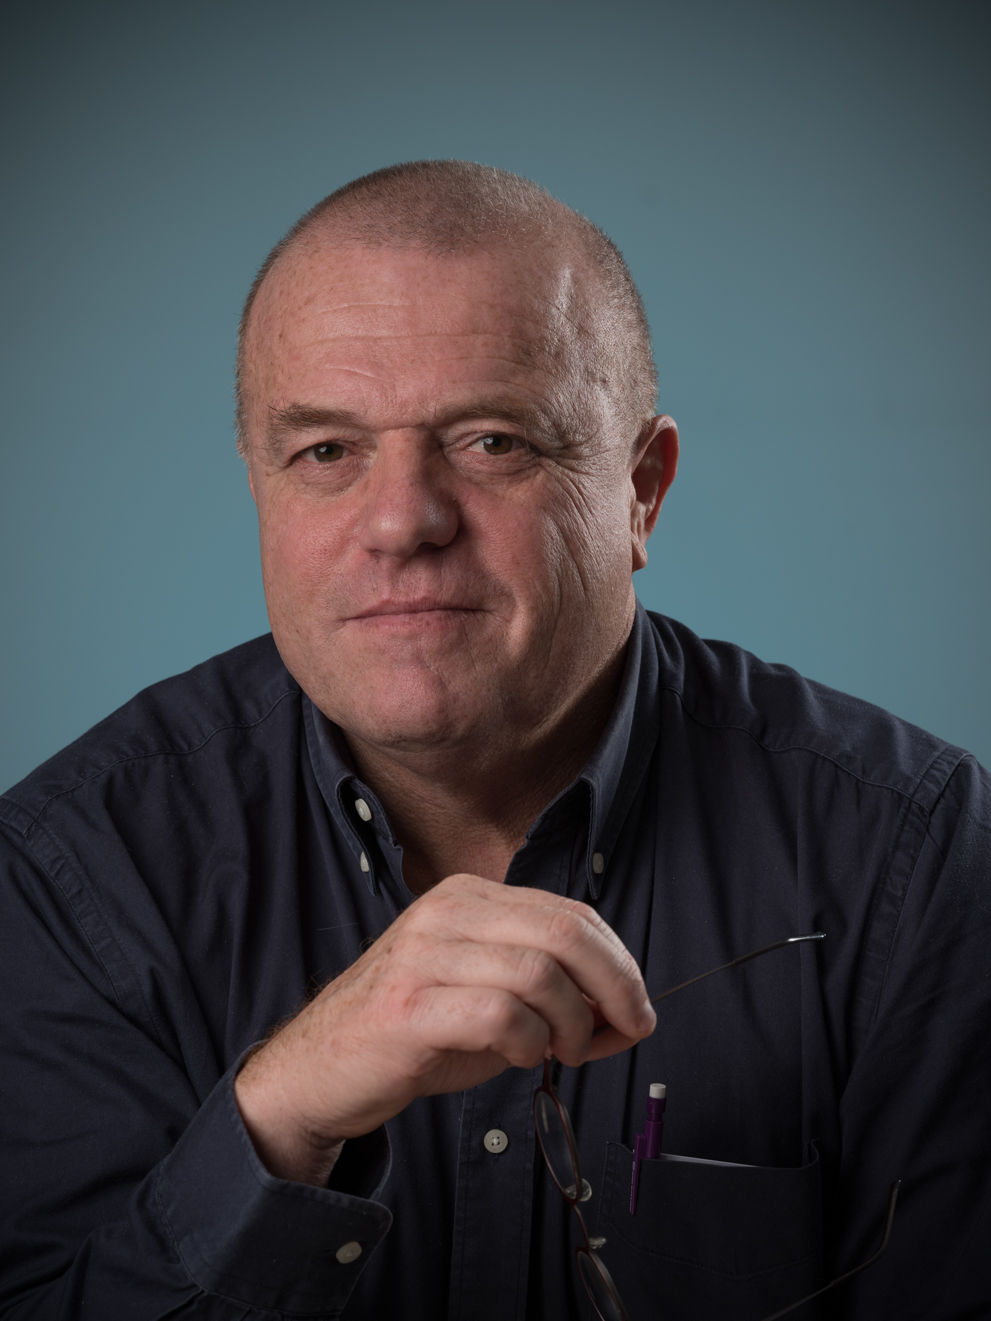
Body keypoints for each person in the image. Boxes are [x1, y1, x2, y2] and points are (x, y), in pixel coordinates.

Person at [1, 160, 988, 1321]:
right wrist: (281, 1115)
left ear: (641, 491)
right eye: (327, 451)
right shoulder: (74, 871)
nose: (401, 521)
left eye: (491, 441)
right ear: (260, 487)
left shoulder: (913, 858)